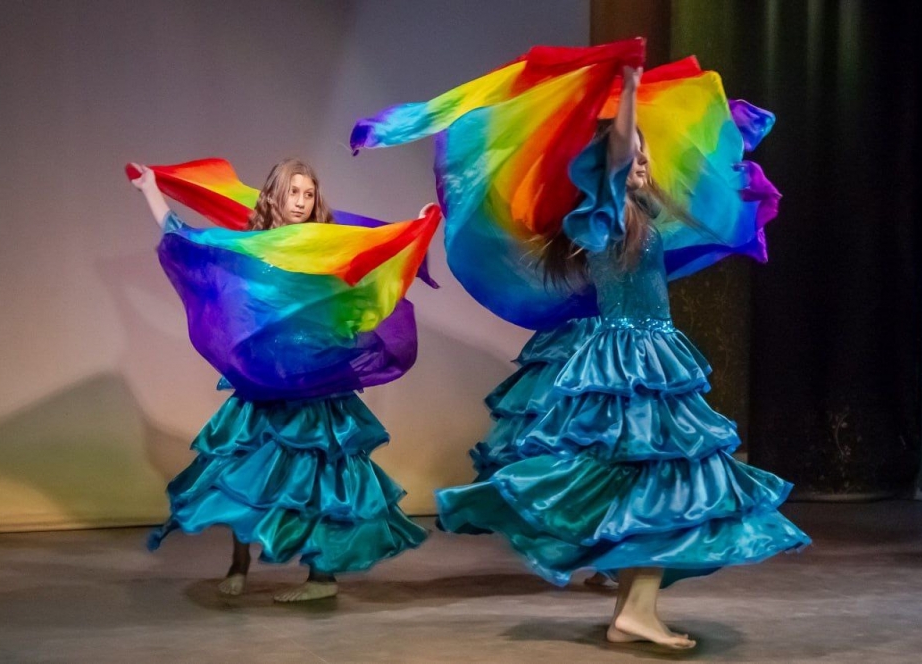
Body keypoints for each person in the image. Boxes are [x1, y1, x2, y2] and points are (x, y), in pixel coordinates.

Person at [436, 67, 810, 648]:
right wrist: (629, 92)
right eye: (629, 152)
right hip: (631, 358)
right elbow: (613, 158)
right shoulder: (604, 216)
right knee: (662, 480)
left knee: (653, 485)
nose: (641, 160)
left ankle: (633, 610)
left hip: (649, 351)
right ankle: (635, 609)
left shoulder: (639, 214)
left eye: (644, 151)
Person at [130, 158, 428, 602]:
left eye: (309, 194)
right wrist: (151, 189)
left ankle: (321, 578)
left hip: (315, 376)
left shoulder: (325, 245)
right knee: (246, 471)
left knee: (321, 475)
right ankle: (239, 565)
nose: (302, 202)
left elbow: (377, 262)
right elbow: (186, 237)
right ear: (275, 196)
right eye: (294, 192)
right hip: (267, 377)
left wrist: (418, 230)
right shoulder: (253, 247)